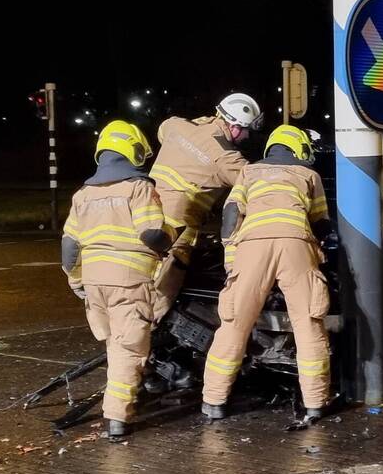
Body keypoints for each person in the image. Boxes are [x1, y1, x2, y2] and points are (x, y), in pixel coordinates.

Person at [201, 125, 333, 421]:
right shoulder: (309, 175)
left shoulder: (249, 173)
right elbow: (322, 223)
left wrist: (231, 260)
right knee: (308, 325)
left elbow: (231, 215)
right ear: (299, 149)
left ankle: (213, 401)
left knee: (234, 325)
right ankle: (315, 403)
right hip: (295, 244)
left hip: (252, 245)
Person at [61, 121, 175, 438]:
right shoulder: (138, 188)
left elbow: (69, 247)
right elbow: (152, 233)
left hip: (95, 285)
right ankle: (116, 419)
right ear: (133, 152)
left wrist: (78, 283)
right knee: (129, 350)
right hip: (129, 283)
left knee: (115, 346)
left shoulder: (83, 195)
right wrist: (172, 237)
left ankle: (123, 403)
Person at [149, 93, 262, 323]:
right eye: (247, 130)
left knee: (137, 276)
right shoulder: (226, 158)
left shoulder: (176, 126)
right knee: (160, 292)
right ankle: (145, 339)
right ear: (235, 126)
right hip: (176, 230)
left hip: (142, 213)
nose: (247, 136)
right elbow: (257, 183)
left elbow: (163, 131)